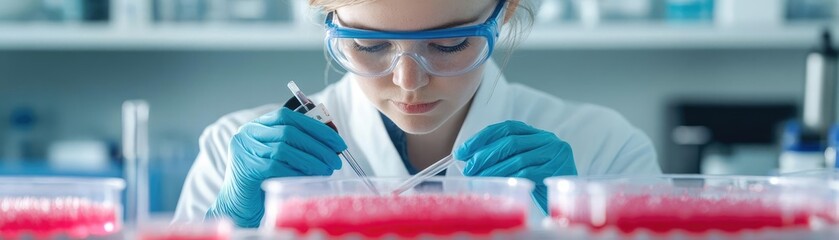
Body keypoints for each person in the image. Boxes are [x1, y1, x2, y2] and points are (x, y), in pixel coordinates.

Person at [173, 0, 661, 228]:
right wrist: (228, 222)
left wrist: (580, 224)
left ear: (505, 13)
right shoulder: (231, 150)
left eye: (448, 44)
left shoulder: (605, 148)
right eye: (368, 44)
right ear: (327, 20)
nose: (409, 81)